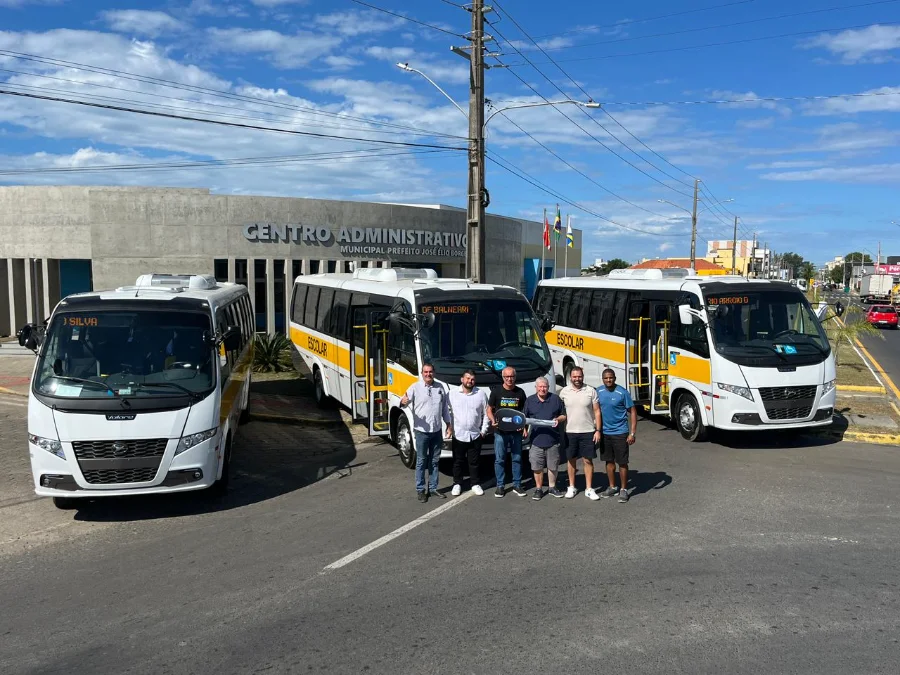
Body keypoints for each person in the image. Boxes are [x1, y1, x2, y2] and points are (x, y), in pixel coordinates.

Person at [400, 363, 452, 503]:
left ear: (434, 372)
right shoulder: (415, 387)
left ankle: (434, 488)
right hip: (422, 431)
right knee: (421, 461)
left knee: (435, 461)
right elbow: (403, 402)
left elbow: (445, 409)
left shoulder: (440, 388)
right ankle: (421, 490)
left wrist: (448, 424)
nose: (428, 374)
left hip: (436, 431)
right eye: (425, 372)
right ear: (422, 373)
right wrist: (403, 402)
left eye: (430, 372)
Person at [558, 365, 602, 500]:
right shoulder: (564, 392)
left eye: (579, 376)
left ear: (583, 377)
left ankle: (589, 488)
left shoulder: (591, 391)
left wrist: (598, 430)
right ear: (570, 377)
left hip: (588, 431)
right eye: (574, 376)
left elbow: (597, 411)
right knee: (571, 461)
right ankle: (571, 487)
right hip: (570, 432)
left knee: (587, 460)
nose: (577, 379)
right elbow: (562, 413)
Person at [596, 369, 638, 503]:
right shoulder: (598, 392)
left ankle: (624, 490)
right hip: (605, 433)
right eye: (606, 378)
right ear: (602, 379)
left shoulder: (622, 392)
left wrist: (632, 433)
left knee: (622, 462)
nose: (609, 380)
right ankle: (612, 486)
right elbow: (595, 410)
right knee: (609, 461)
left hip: (620, 433)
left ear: (614, 378)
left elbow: (632, 411)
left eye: (611, 378)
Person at [522, 376, 566, 500]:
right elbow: (523, 417)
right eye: (540, 386)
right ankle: (539, 489)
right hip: (536, 440)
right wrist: (524, 428)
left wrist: (558, 419)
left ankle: (552, 487)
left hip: (553, 439)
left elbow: (563, 415)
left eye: (545, 386)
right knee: (537, 467)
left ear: (548, 387)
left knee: (553, 466)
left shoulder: (555, 399)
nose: (542, 389)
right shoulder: (530, 400)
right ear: (536, 388)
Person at [448, 369, 490, 496]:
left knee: (474, 462)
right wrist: (448, 426)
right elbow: (445, 411)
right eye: (467, 378)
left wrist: (483, 430)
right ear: (462, 379)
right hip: (458, 434)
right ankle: (457, 484)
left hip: (475, 434)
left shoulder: (481, 394)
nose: (469, 381)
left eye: (472, 379)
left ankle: (475, 483)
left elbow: (486, 413)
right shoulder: (452, 394)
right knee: (457, 461)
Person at [487, 366, 528, 498]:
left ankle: (517, 484)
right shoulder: (496, 392)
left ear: (515, 377)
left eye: (512, 376)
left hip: (516, 432)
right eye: (507, 377)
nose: (509, 379)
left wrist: (524, 427)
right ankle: (500, 486)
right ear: (503, 377)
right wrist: (492, 420)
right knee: (500, 460)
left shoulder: (520, 392)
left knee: (517, 458)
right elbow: (489, 409)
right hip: (500, 432)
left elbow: (523, 413)